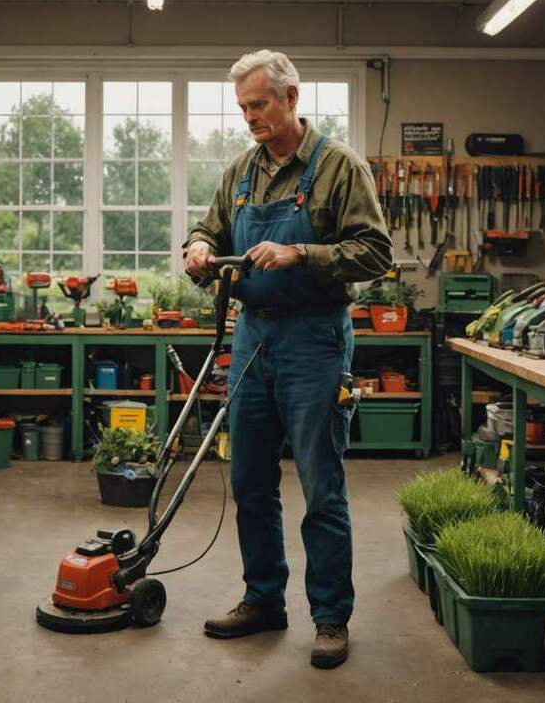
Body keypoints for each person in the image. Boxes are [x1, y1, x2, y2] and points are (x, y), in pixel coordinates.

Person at [183, 50, 393, 669]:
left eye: (259, 105)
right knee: (249, 480)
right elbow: (210, 229)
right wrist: (198, 248)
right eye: (243, 107)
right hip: (251, 336)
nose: (250, 118)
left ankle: (330, 617)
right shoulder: (240, 172)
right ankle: (263, 599)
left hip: (314, 340)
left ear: (291, 97)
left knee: (321, 488)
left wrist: (301, 253)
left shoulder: (338, 167)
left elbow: (375, 252)